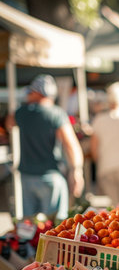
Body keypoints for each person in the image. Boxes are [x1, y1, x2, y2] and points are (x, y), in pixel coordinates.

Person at [6, 74, 84, 220]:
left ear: (37, 92)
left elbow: (9, 123)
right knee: (55, 226)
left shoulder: (22, 113)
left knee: (28, 226)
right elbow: (71, 144)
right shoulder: (56, 114)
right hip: (50, 176)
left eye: (31, 91)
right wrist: (76, 171)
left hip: (26, 176)